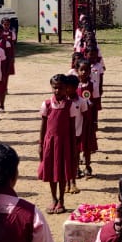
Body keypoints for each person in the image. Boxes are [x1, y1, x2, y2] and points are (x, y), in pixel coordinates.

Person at [38, 74, 75, 214]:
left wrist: (73, 146)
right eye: (55, 88)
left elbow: (72, 127)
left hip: (65, 142)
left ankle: (62, 200)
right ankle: (53, 198)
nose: (57, 91)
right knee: (51, 171)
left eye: (60, 88)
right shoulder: (47, 104)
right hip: (50, 142)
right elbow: (43, 125)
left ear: (66, 89)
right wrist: (41, 144)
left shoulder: (70, 105)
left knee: (62, 172)